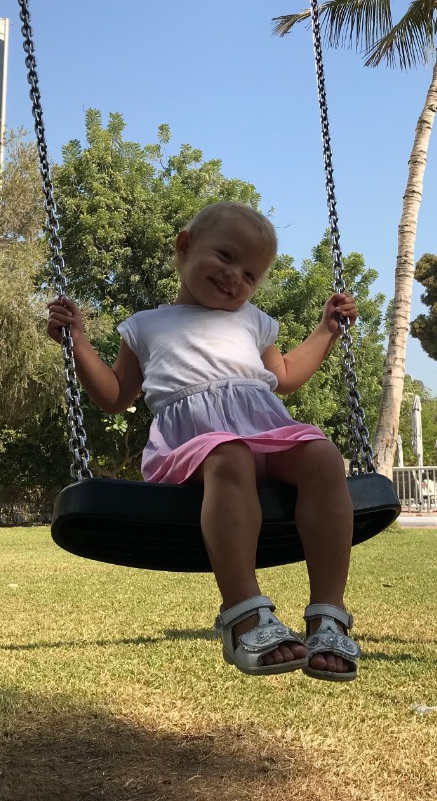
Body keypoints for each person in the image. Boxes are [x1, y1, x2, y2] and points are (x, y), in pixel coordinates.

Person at [46, 201, 361, 681]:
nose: (236, 277)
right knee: (229, 453)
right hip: (195, 447)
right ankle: (244, 613)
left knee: (322, 454)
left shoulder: (253, 320)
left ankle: (328, 614)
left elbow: (285, 376)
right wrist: (78, 342)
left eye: (250, 274)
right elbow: (114, 395)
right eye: (226, 257)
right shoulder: (145, 325)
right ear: (185, 246)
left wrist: (327, 331)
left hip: (264, 429)